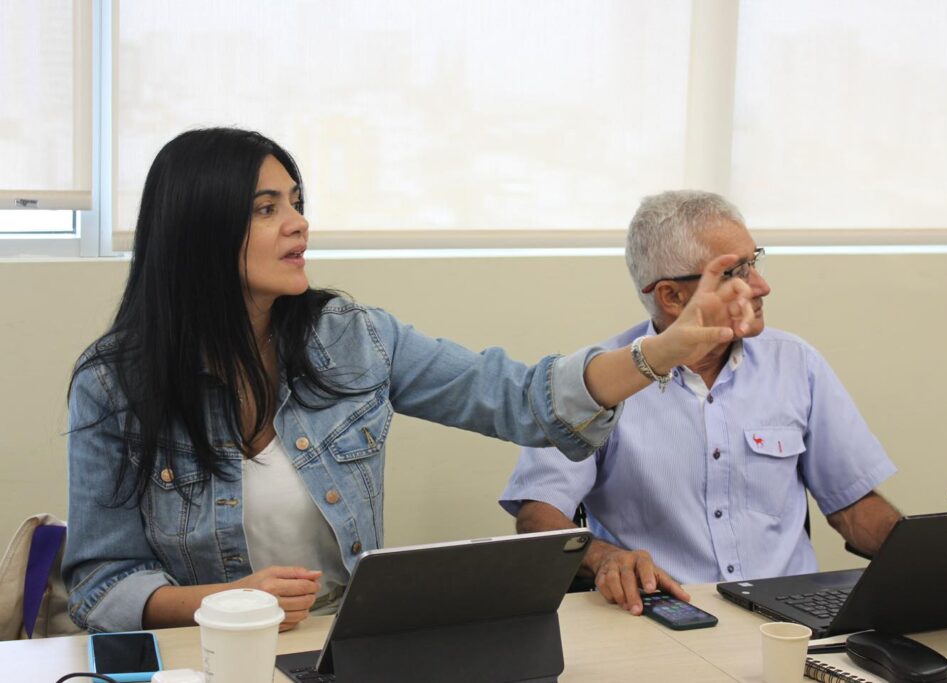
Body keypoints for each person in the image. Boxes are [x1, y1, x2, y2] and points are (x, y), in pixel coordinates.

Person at [62, 130, 755, 633]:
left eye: (297, 201)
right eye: (266, 207)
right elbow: (101, 580)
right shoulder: (115, 384)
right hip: (203, 653)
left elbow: (518, 395)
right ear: (198, 229)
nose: (299, 222)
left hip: (340, 648)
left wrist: (661, 352)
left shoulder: (353, 338)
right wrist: (223, 600)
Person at [500, 190, 902, 616]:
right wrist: (603, 558)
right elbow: (538, 516)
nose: (762, 286)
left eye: (755, 261)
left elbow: (853, 507)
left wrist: (938, 560)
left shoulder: (795, 362)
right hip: (662, 613)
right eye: (736, 272)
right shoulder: (598, 381)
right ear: (672, 297)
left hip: (791, 619)